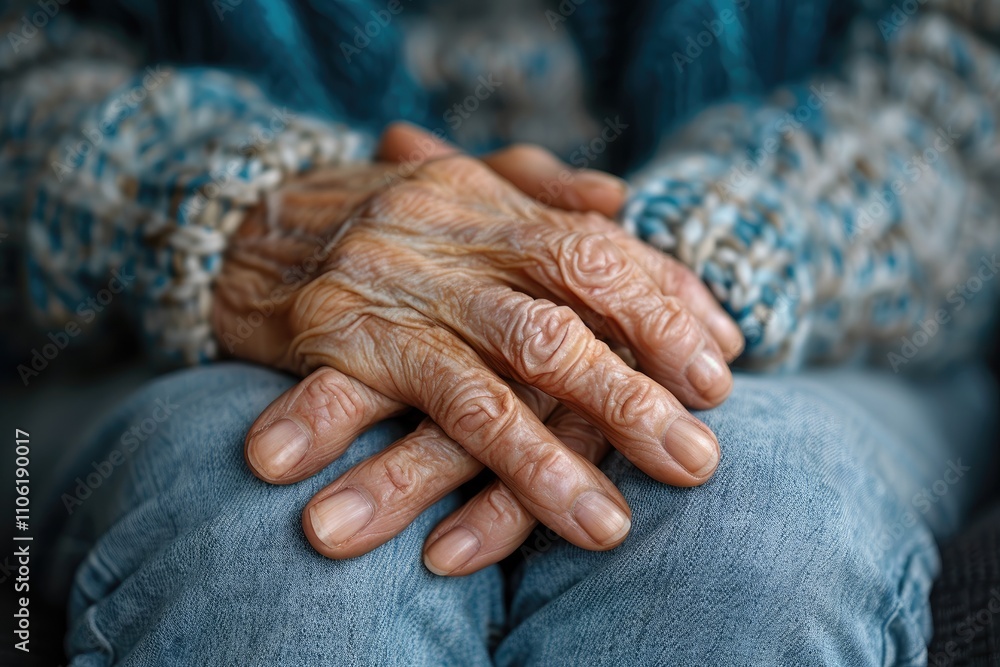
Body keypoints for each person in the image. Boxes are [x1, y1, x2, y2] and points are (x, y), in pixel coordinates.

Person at [2, 0, 998, 664]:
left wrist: (644, 277)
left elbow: (965, 91)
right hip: (155, 313)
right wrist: (224, 207)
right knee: (275, 540)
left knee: (753, 521)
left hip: (817, 289)